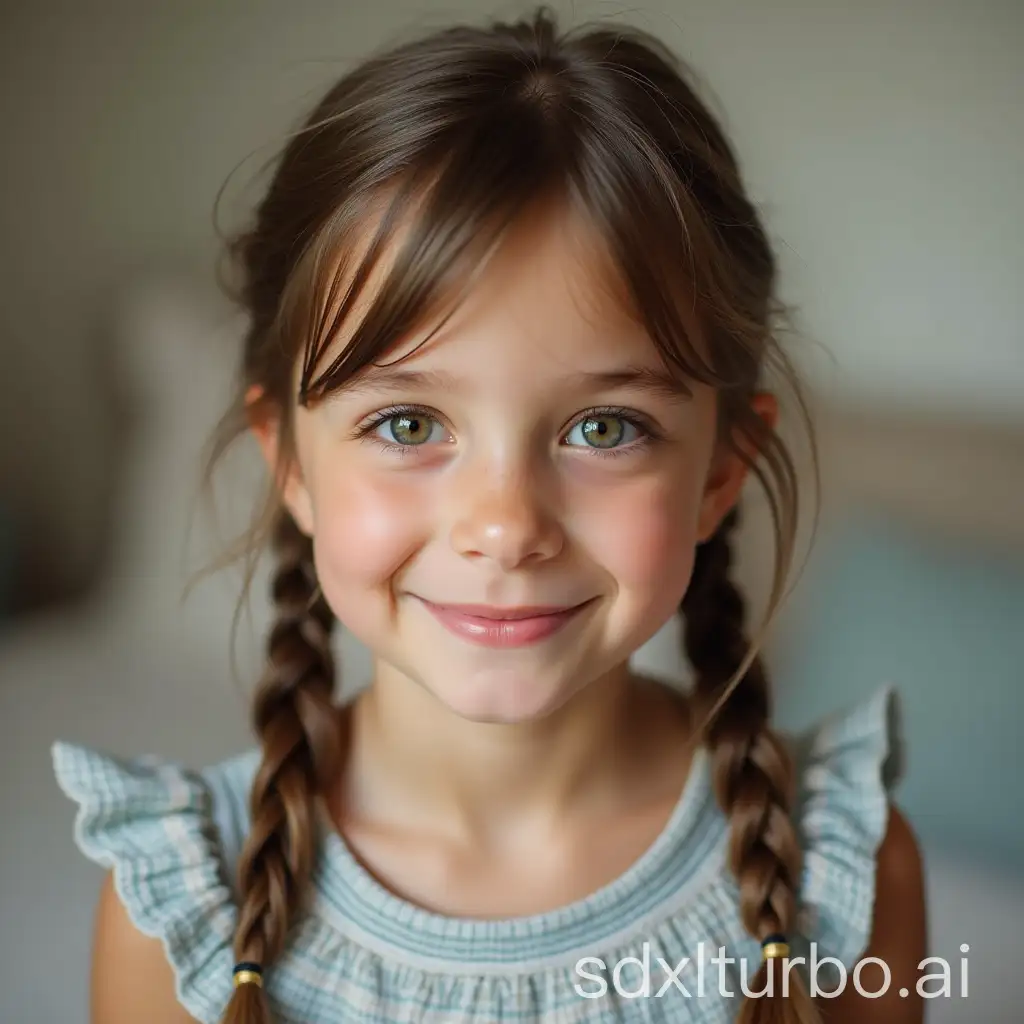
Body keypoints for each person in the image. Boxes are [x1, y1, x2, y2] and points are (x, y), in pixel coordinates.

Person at [52, 8, 927, 1023]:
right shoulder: (181, 913)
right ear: (288, 461)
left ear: (724, 467)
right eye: (410, 420)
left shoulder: (839, 875)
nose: (506, 525)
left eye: (604, 428)